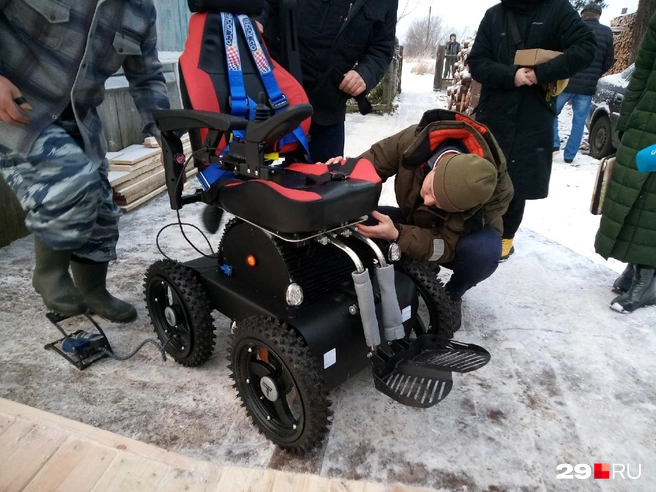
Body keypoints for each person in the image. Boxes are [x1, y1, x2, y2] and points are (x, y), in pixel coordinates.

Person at [0, 1, 170, 321]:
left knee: (103, 211)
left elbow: (147, 77)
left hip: (81, 120)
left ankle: (94, 292)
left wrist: (163, 130)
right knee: (71, 182)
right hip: (17, 114)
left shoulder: (141, 11)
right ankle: (49, 273)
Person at [327, 109, 514, 324]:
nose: (428, 202)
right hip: (412, 220)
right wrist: (340, 174)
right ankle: (399, 268)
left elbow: (446, 245)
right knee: (359, 221)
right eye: (431, 191)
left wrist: (398, 235)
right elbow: (372, 163)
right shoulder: (415, 141)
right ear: (436, 168)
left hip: (456, 240)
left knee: (483, 252)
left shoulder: (492, 197)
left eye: (440, 204)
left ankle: (452, 294)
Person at [467, 0, 597, 260]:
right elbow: (477, 62)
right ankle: (473, 228)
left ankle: (506, 236)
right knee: (482, 171)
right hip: (495, 110)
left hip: (533, 112)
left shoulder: (557, 9)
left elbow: (586, 48)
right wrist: (511, 75)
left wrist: (542, 72)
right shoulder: (494, 15)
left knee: (518, 179)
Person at [257, 0, 398, 163]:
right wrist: (257, 17)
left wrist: (364, 74)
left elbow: (382, 48)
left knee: (325, 181)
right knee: (255, 180)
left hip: (328, 107)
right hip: (274, 96)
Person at [595, 11, 656, 314]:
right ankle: (636, 267)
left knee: (652, 202)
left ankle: (647, 279)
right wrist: (628, 121)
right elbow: (643, 69)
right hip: (646, 120)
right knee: (634, 194)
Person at [553, 3, 614, 164]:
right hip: (587, 87)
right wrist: (595, 73)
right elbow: (608, 60)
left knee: (551, 111)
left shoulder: (572, 28)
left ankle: (554, 142)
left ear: (582, 14)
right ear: (599, 16)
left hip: (567, 81)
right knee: (579, 122)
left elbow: (560, 53)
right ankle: (569, 155)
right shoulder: (607, 33)